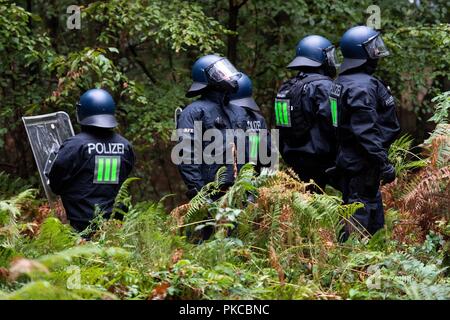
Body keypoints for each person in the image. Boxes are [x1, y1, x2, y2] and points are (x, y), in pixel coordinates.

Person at [330, 26, 400, 240]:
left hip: (353, 160)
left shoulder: (343, 82)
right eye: (372, 48)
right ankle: (353, 263)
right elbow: (365, 132)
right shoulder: (361, 86)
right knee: (360, 210)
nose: (377, 52)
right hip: (362, 162)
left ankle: (370, 263)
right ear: (361, 53)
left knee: (364, 208)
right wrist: (383, 163)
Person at [48, 88, 135, 232]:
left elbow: (55, 185)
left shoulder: (74, 146)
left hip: (80, 225)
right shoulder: (125, 146)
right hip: (115, 225)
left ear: (82, 112)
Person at [176, 54, 244, 200]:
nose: (227, 76)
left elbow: (248, 154)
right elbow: (187, 158)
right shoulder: (193, 112)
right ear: (207, 79)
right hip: (211, 194)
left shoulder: (237, 111)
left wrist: (249, 189)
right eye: (220, 72)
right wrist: (201, 195)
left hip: (238, 194)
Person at [276, 35, 338, 190]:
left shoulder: (287, 87)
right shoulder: (324, 87)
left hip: (294, 161)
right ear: (321, 58)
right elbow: (333, 125)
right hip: (323, 162)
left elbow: (282, 128)